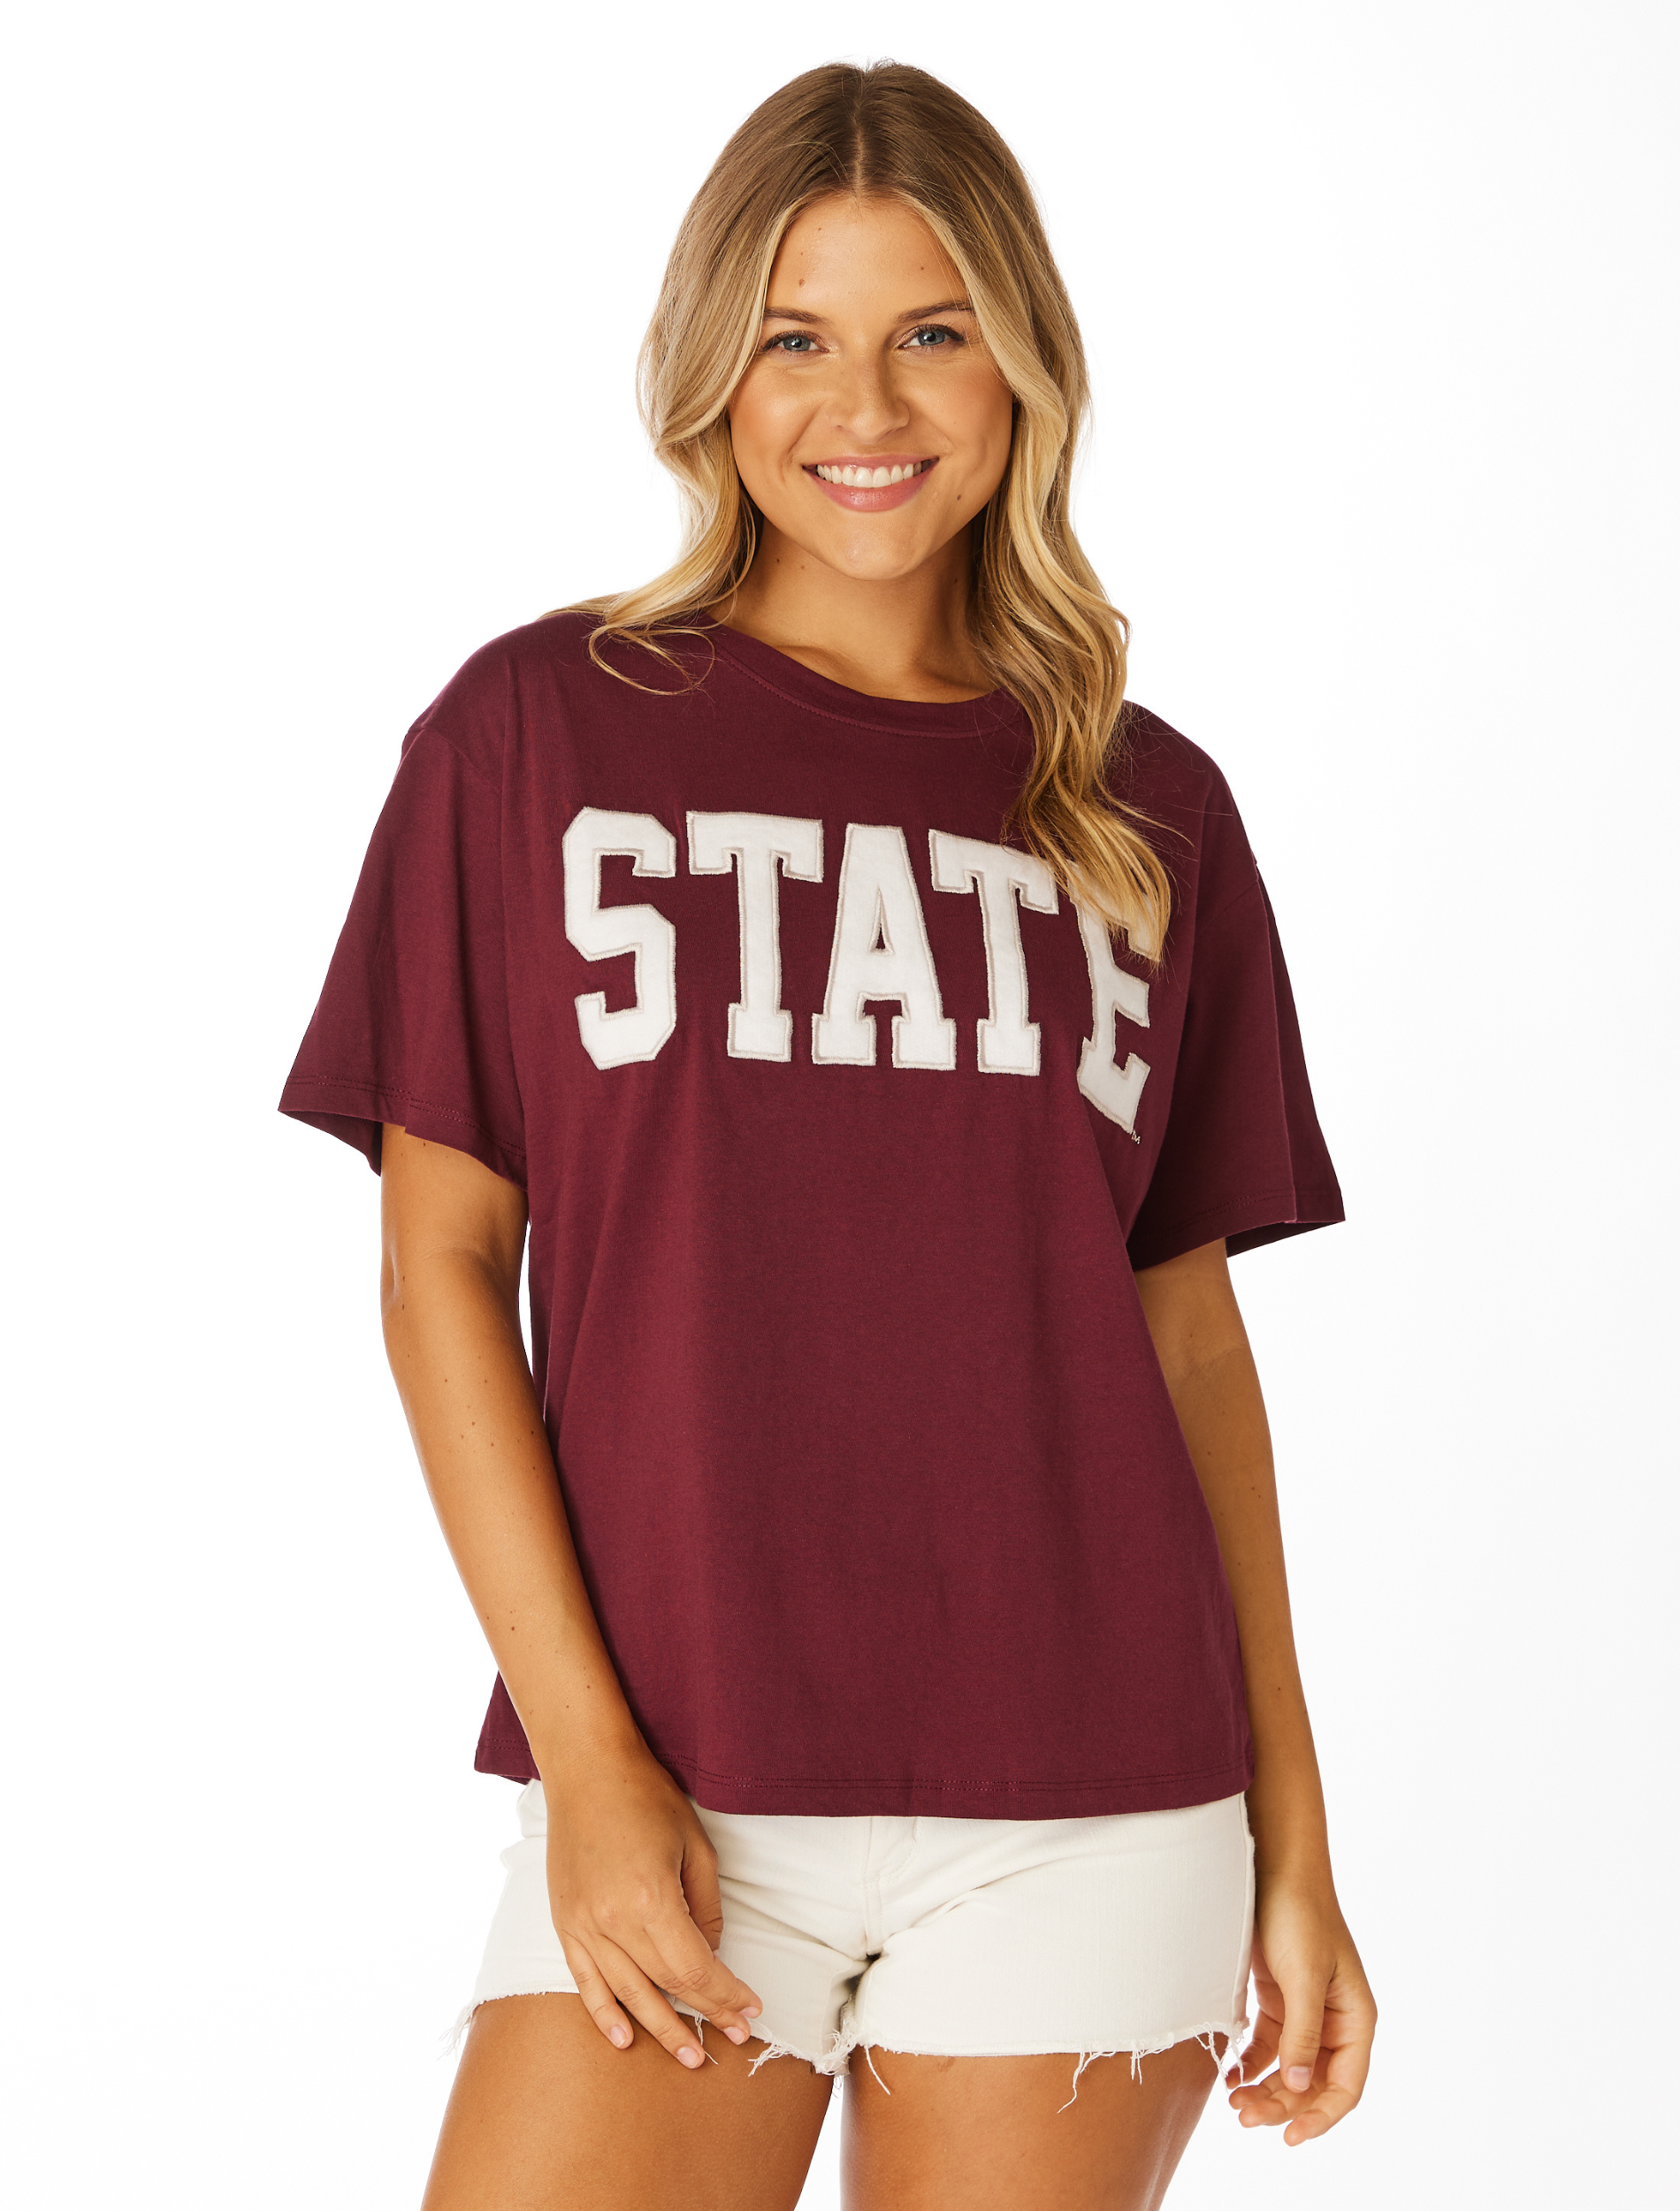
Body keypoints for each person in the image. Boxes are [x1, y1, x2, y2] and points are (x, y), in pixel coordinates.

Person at [281, 58, 1377, 2211]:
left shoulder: (1150, 805)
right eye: (795, 334)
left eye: (930, 329)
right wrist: (588, 1759)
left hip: (1097, 1799)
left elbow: (1184, 1346)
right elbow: (437, 1266)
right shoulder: (535, 732)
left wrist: (1294, 1837)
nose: (861, 402)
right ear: (713, 367)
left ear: (1019, 364)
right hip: (680, 1763)